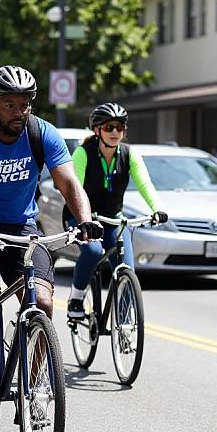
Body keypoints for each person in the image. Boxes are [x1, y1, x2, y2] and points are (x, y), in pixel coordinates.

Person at [0, 65, 102, 378]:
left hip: (22, 225)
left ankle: (35, 386)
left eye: (24, 105)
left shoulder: (42, 133)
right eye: (9, 105)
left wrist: (85, 220)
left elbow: (69, 184)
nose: (18, 112)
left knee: (42, 301)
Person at [65, 103, 168, 320]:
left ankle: (125, 322)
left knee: (126, 268)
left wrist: (157, 209)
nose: (115, 132)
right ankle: (76, 298)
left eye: (120, 128)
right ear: (97, 130)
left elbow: (145, 184)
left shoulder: (129, 154)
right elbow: (75, 189)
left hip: (112, 219)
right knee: (93, 252)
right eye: (109, 127)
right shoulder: (83, 154)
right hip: (81, 217)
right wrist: (84, 219)